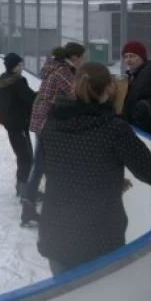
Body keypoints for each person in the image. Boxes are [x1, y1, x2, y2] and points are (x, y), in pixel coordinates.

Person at [37, 62, 151, 276]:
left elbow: (60, 168)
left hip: (56, 233)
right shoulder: (114, 130)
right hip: (98, 239)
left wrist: (108, 179)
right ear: (111, 88)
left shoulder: (51, 125)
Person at [20, 42, 86, 226]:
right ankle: (29, 207)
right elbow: (77, 94)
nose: (84, 60)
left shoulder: (54, 67)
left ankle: (29, 205)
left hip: (41, 120)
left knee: (40, 164)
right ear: (74, 58)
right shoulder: (62, 72)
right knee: (40, 164)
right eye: (82, 57)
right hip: (47, 123)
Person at [0, 53, 36, 198]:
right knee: (26, 158)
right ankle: (25, 191)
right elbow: (30, 98)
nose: (21, 67)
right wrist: (44, 94)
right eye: (19, 65)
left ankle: (21, 188)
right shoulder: (18, 82)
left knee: (22, 156)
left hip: (11, 125)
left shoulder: (4, 82)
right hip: (19, 124)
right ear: (13, 67)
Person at [119, 41, 151, 135]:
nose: (128, 60)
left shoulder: (150, 73)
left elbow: (134, 99)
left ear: (142, 57)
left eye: (132, 56)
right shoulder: (132, 76)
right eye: (126, 57)